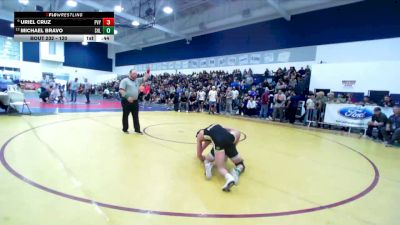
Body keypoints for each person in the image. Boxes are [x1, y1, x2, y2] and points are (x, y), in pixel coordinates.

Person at [196, 124, 245, 192]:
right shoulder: (215, 126)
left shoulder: (200, 135)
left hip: (219, 144)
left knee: (219, 167)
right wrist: (229, 154)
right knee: (240, 164)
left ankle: (229, 178)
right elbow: (233, 130)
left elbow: (199, 154)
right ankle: (237, 170)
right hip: (230, 139)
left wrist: (202, 158)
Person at [119, 68, 150, 134]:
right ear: (130, 74)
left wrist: (148, 71)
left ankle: (137, 129)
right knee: (125, 115)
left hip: (135, 101)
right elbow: (121, 90)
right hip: (126, 101)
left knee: (136, 115)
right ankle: (125, 129)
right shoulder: (125, 81)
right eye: (134, 73)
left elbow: (145, 77)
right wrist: (127, 97)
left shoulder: (137, 80)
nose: (135, 75)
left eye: (136, 74)